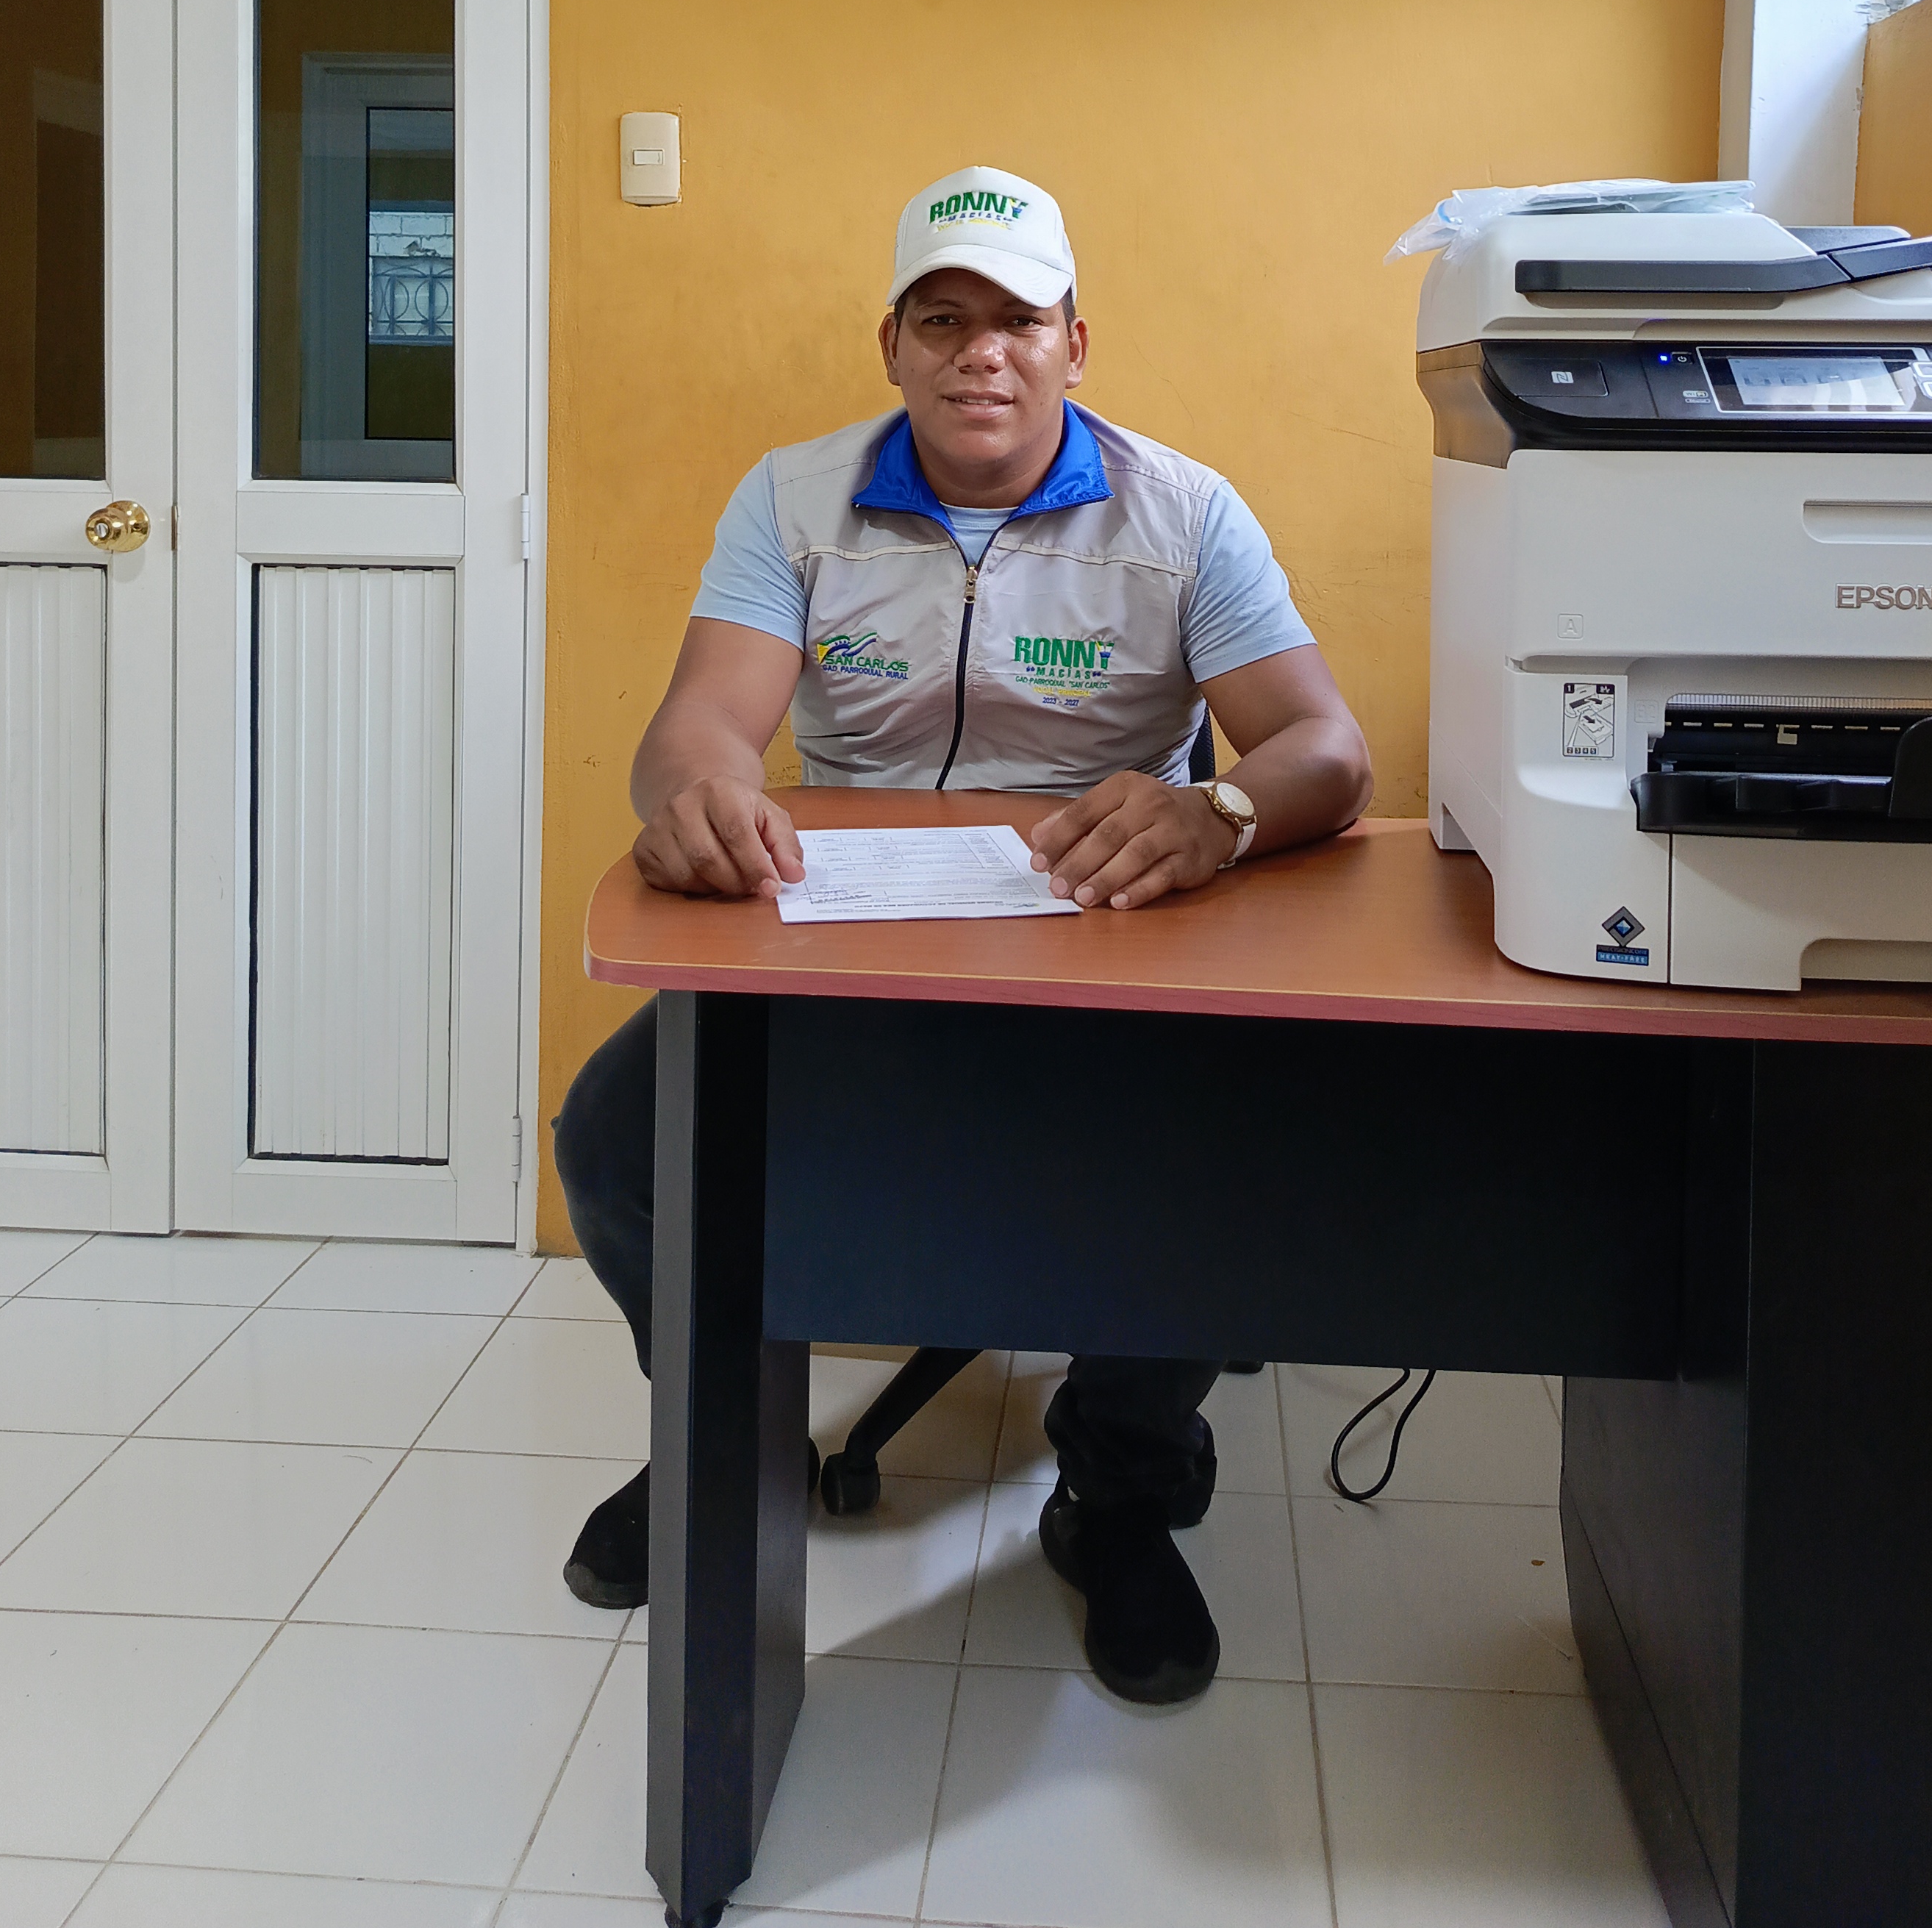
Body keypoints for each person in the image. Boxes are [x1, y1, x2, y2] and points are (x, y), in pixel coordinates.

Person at [553, 165, 1372, 1704]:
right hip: (851, 943)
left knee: (1231, 1149)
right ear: (893, 345)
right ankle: (721, 1438)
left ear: (1076, 342)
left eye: (1018, 320)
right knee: (618, 1143)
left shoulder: (1184, 511)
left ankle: (1119, 1487)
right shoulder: (794, 498)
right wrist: (697, 795)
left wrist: (1221, 813)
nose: (980, 351)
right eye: (942, 319)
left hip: (1112, 941)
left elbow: (1327, 749)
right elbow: (699, 724)